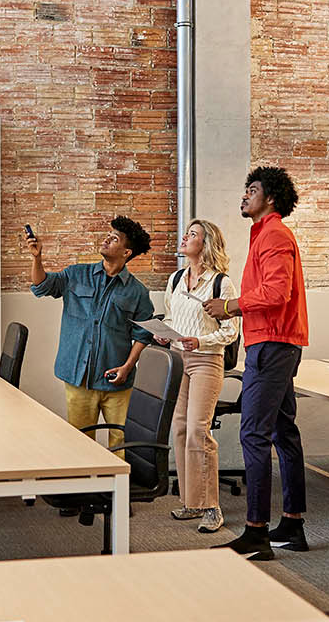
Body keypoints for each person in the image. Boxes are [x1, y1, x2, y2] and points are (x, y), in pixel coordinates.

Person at [204, 167, 309, 561]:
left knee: (254, 434)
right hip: (276, 343)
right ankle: (293, 524)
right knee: (284, 432)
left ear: (271, 198)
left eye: (253, 190)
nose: (245, 195)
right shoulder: (265, 235)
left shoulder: (275, 235)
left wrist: (230, 306)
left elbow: (277, 292)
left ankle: (256, 533)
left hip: (272, 345)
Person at [27, 216, 156, 494]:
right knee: (78, 441)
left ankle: (117, 498)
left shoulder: (137, 292)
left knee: (119, 443)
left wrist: (128, 365)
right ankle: (77, 494)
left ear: (126, 252)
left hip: (116, 380)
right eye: (108, 235)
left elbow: (143, 334)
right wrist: (37, 259)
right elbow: (42, 287)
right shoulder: (76, 275)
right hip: (79, 376)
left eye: (115, 238)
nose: (107, 239)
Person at [155, 219, 240, 535]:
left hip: (206, 361)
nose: (184, 238)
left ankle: (211, 507)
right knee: (179, 428)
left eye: (192, 234)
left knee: (198, 432)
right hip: (178, 359)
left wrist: (199, 341)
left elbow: (230, 331)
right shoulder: (176, 278)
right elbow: (171, 315)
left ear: (205, 244)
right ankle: (192, 501)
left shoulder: (221, 284)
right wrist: (167, 333)